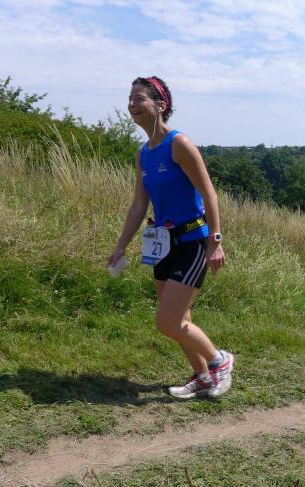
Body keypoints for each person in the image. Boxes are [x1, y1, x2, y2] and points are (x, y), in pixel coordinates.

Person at [107, 76, 233, 399]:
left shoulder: (179, 144)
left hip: (192, 241)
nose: (131, 105)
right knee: (180, 317)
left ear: (160, 105)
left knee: (167, 321)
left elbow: (209, 193)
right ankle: (203, 377)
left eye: (139, 99)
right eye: (130, 99)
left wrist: (215, 242)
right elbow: (139, 204)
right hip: (163, 243)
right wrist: (121, 246)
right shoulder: (143, 154)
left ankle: (219, 360)